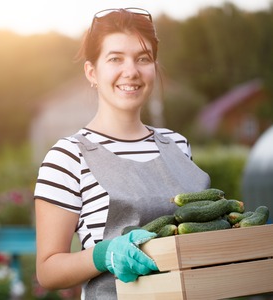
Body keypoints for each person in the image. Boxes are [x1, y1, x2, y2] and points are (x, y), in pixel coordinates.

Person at [33, 7, 210, 299]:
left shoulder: (177, 145)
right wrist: (103, 254)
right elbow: (48, 270)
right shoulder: (67, 157)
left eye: (143, 58)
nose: (131, 71)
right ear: (92, 71)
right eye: (115, 59)